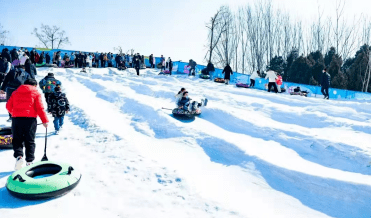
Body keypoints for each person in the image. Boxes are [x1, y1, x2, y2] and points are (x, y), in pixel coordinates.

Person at [6, 78, 49, 170]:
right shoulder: (36, 93)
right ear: (34, 85)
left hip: (16, 119)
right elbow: (40, 108)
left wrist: (14, 113)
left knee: (17, 139)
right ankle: (29, 161)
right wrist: (44, 120)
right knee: (29, 140)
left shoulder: (15, 92)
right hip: (30, 120)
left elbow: (8, 106)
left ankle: (19, 157)